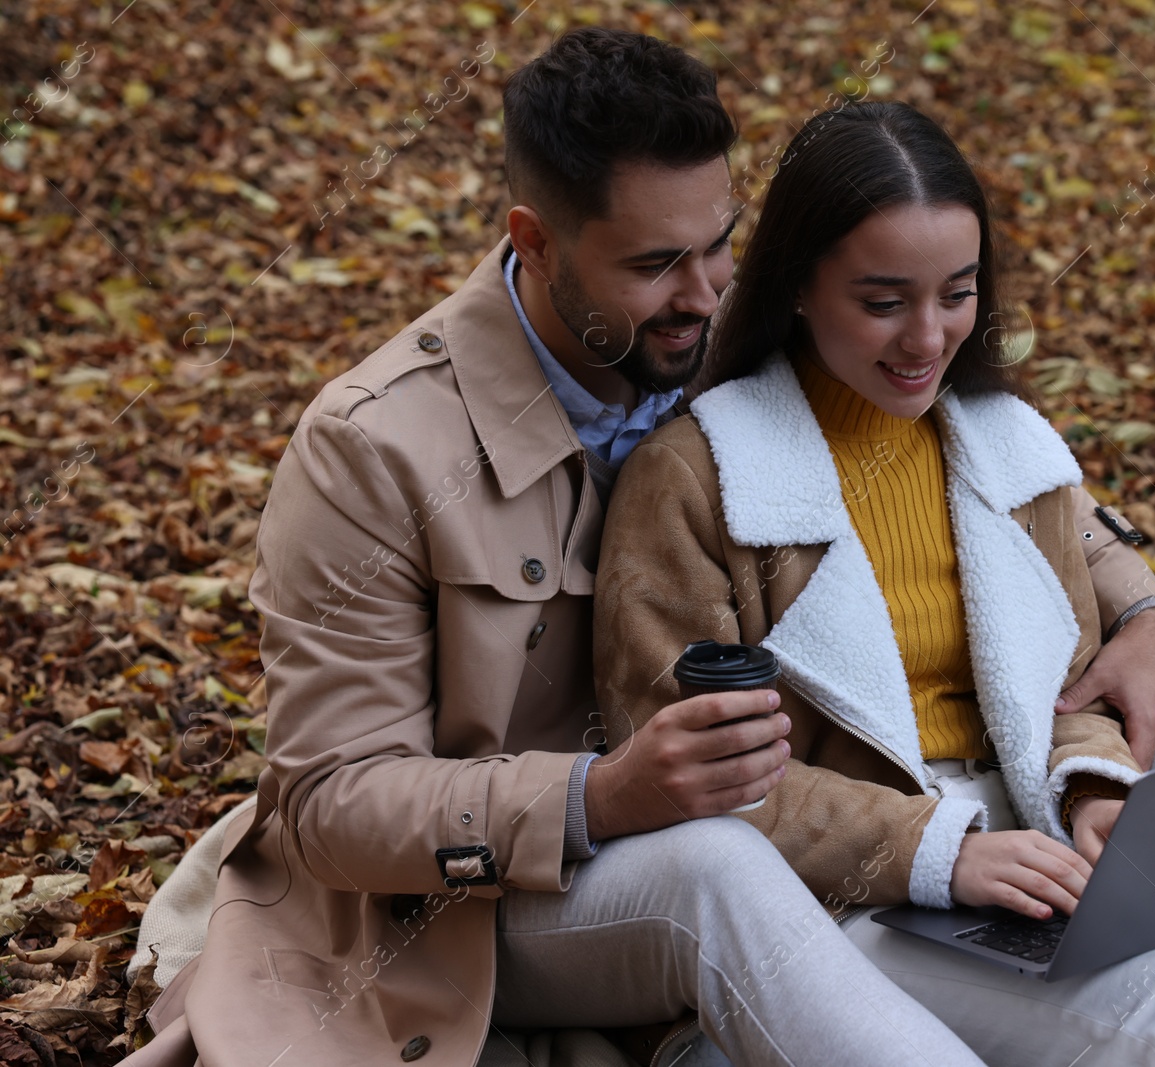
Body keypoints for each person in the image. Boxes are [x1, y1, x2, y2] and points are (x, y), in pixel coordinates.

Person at [122, 32, 992, 1067]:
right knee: (710, 869)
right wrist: (599, 793)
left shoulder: (728, 354)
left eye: (719, 243)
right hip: (464, 909)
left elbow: (972, 455)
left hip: (783, 834)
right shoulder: (376, 449)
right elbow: (328, 802)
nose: (707, 293)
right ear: (532, 241)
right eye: (653, 263)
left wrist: (1131, 604)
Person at [594, 100, 1155, 1066]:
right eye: (883, 300)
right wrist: (937, 850)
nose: (927, 338)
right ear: (798, 289)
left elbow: (1063, 686)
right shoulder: (698, 477)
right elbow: (695, 789)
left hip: (1035, 841)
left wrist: (1095, 794)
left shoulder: (1002, 445)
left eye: (957, 292)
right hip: (842, 901)